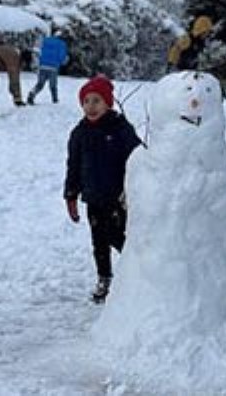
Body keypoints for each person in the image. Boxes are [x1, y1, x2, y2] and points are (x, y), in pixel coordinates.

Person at [63, 74, 141, 304]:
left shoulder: (120, 129)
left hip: (118, 198)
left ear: (108, 103)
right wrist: (71, 194)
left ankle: (138, 274)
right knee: (99, 242)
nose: (91, 106)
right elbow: (73, 165)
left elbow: (137, 158)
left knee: (119, 238)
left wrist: (134, 187)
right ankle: (104, 277)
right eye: (86, 101)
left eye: (96, 100)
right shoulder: (79, 133)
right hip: (93, 198)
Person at [28, 32, 69, 104]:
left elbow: (38, 51)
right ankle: (55, 99)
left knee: (40, 84)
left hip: (42, 66)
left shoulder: (45, 40)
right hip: (53, 67)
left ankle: (32, 94)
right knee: (53, 85)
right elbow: (62, 56)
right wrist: (62, 61)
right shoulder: (62, 43)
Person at [0, 37, 25, 107]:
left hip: (6, 62)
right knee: (15, 80)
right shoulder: (13, 51)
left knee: (14, 80)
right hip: (13, 65)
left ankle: (15, 95)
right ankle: (17, 99)